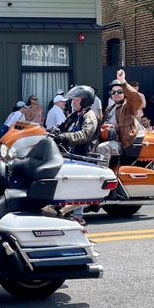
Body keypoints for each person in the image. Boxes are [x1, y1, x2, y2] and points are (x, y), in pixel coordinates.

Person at [49, 85, 100, 225]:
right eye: (73, 101)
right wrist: (46, 131)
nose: (73, 103)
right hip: (70, 155)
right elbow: (61, 127)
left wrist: (65, 137)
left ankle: (78, 216)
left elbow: (85, 135)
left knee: (79, 186)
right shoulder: (74, 115)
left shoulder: (90, 116)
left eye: (76, 101)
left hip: (84, 156)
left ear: (85, 101)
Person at [96, 70, 144, 164]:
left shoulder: (128, 107)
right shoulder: (109, 109)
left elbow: (136, 99)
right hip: (107, 139)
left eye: (119, 91)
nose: (116, 94)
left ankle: (103, 172)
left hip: (121, 143)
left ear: (124, 93)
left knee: (103, 148)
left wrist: (123, 82)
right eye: (113, 92)